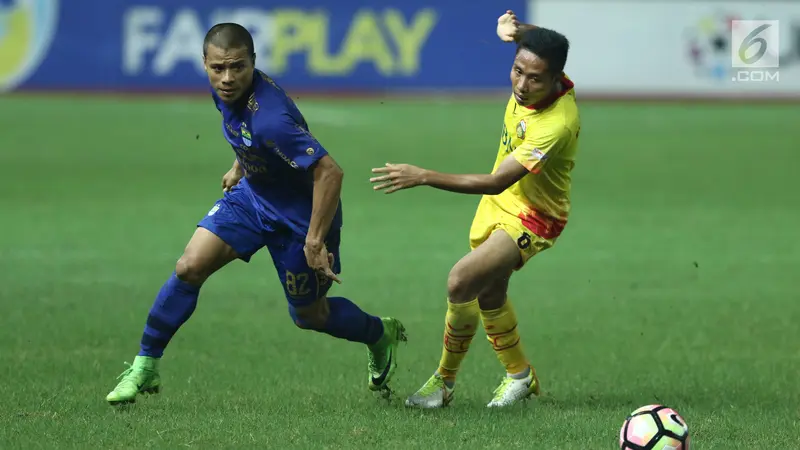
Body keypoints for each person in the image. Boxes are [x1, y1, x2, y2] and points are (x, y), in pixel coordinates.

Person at [106, 23, 406, 405]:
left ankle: (378, 334)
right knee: (188, 267)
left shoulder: (273, 120)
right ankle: (145, 366)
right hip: (254, 199)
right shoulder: (226, 93)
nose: (227, 78)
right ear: (205, 64)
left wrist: (315, 239)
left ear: (253, 63)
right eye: (218, 68)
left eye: (237, 67)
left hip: (300, 220)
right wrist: (241, 165)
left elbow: (330, 172)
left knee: (309, 316)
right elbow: (246, 132)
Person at [369, 11, 580, 408]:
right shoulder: (544, 67)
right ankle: (520, 376)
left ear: (556, 80)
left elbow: (497, 179)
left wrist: (424, 175)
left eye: (535, 79)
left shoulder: (556, 123)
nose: (522, 84)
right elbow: (550, 44)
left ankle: (442, 383)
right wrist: (516, 32)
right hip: (501, 204)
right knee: (489, 293)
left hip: (535, 215)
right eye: (517, 70)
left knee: (461, 280)